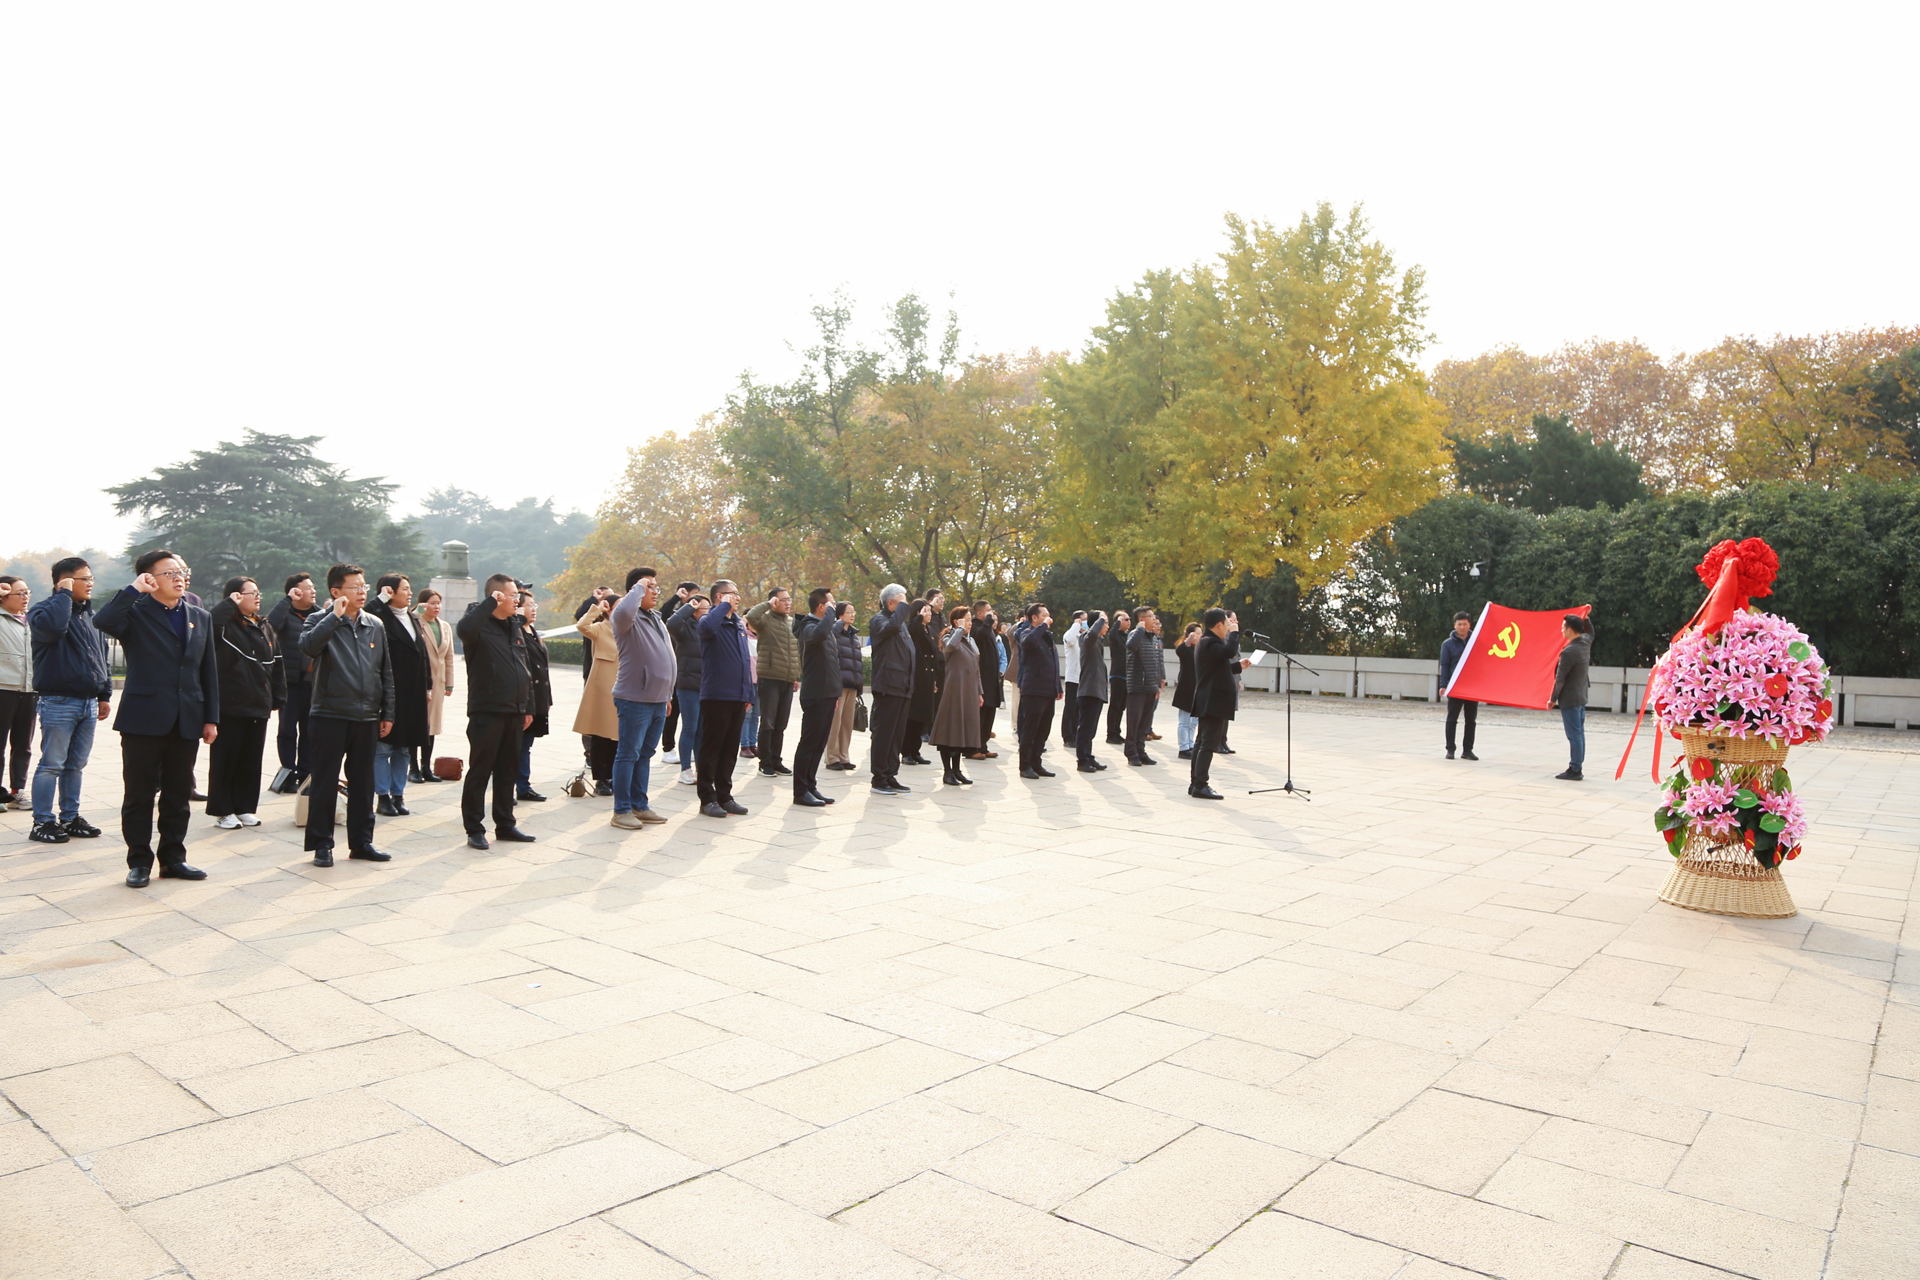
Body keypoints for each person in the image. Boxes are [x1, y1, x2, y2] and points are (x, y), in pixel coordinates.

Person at [93, 550, 219, 885]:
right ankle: (139, 862)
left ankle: (173, 859)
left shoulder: (199, 616)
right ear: (150, 578)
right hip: (143, 718)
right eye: (169, 573)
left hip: (187, 717)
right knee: (139, 795)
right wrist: (134, 590)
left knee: (178, 795)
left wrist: (211, 717)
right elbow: (102, 621)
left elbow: (208, 671)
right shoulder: (135, 612)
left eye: (181, 571)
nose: (179, 578)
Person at [298, 564, 395, 868]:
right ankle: (322, 845)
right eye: (354, 587)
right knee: (325, 782)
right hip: (329, 713)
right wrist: (334, 617)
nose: (361, 592)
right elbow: (308, 647)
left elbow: (385, 671)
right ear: (336, 591)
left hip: (366, 715)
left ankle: (362, 842)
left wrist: (388, 711)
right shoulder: (319, 620)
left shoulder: (374, 624)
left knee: (364, 784)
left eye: (363, 586)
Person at [24, 558, 111, 843]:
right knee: (52, 764)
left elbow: (102, 657)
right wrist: (63, 594)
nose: (90, 583)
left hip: (88, 702)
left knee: (75, 765)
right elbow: (54, 629)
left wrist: (104, 694)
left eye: (91, 578)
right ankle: (42, 822)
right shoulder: (42, 612)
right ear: (64, 581)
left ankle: (70, 818)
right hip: (58, 701)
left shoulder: (90, 616)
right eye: (84, 578)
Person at [458, 574, 536, 850]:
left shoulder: (514, 625)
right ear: (497, 596)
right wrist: (489, 603)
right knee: (480, 771)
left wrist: (528, 707)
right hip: (487, 710)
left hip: (515, 710)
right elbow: (464, 630)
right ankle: (474, 828)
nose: (518, 600)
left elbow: (524, 667)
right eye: (513, 595)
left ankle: (505, 824)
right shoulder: (478, 624)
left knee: (507, 771)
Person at [205, 577, 285, 828]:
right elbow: (210, 625)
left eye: (258, 592)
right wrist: (228, 605)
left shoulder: (264, 625)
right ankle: (223, 810)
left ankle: (244, 807)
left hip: (258, 704)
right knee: (226, 760)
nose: (257, 597)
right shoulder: (225, 625)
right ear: (235, 597)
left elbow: (277, 663)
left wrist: (278, 696)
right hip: (230, 704)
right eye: (252, 593)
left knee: (250, 760)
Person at [607, 566, 676, 828]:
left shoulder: (655, 617)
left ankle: (640, 805)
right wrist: (639, 585)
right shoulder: (626, 617)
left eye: (656, 586)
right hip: (635, 698)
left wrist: (667, 695)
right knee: (628, 754)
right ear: (635, 591)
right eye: (650, 587)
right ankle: (621, 810)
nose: (655, 591)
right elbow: (624, 610)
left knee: (645, 754)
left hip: (658, 699)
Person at [367, 574, 430, 817]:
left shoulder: (413, 618)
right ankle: (382, 796)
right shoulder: (379, 617)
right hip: (390, 692)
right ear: (390, 591)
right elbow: (366, 612)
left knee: (404, 749)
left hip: (413, 693)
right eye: (405, 589)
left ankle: (398, 794)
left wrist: (427, 685)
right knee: (383, 748)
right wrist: (381, 599)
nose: (410, 593)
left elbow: (421, 654)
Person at [695, 580, 754, 817]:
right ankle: (707, 799)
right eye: (733, 594)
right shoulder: (709, 620)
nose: (737, 598)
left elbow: (744, 660)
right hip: (717, 694)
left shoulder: (738, 623)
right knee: (712, 748)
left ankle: (724, 795)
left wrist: (748, 693)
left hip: (738, 696)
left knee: (730, 749)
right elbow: (707, 629)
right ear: (719, 597)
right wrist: (722, 607)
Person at [788, 587, 841, 806]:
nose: (834, 606)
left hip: (828, 693)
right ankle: (800, 791)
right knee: (809, 744)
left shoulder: (823, 627)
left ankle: (810, 786)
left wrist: (835, 693)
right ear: (821, 607)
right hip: (816, 693)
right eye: (831, 603)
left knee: (819, 744)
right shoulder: (808, 626)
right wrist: (830, 613)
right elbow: (818, 634)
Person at [266, 573, 319, 790]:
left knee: (309, 732)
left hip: (313, 684)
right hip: (290, 684)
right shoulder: (285, 615)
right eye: (307, 587)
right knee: (287, 731)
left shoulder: (319, 615)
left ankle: (305, 776)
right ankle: (288, 773)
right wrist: (287, 600)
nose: (313, 591)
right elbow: (271, 625)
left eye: (313, 587)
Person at [745, 587, 800, 778]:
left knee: (780, 724)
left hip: (787, 679)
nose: (787, 603)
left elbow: (795, 651)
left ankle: (776, 761)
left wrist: (795, 675)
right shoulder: (765, 620)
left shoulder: (792, 622)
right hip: (769, 678)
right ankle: (765, 762)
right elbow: (751, 616)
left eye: (788, 599)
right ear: (774, 601)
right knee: (768, 723)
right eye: (782, 599)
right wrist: (767, 604)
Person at [1188, 608, 1243, 800]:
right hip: (1213, 700)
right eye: (1227, 624)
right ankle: (1200, 784)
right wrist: (1235, 633)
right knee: (1208, 743)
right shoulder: (1210, 641)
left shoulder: (1207, 642)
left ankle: (1195, 782)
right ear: (1219, 625)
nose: (1228, 628)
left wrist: (1239, 666)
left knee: (1202, 741)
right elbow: (1229, 651)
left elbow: (1217, 667)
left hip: (1209, 698)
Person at [868, 585, 915, 795]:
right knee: (884, 734)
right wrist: (902, 611)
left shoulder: (900, 624)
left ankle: (890, 774)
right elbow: (891, 628)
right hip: (888, 685)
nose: (907, 606)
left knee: (897, 735)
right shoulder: (880, 620)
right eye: (903, 602)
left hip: (903, 686)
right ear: (890, 603)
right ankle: (879, 778)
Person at [931, 605, 984, 785]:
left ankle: (957, 770)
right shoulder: (949, 637)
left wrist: (980, 691)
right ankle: (947, 771)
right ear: (956, 621)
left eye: (970, 620)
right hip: (953, 690)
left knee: (962, 732)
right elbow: (949, 648)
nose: (970, 623)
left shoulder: (971, 640)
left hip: (969, 690)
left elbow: (976, 668)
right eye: (967, 620)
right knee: (950, 731)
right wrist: (959, 630)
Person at [574, 594, 619, 795]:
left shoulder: (629, 630)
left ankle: (615, 776)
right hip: (603, 690)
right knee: (601, 736)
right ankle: (601, 779)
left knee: (618, 737)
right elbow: (582, 626)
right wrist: (597, 608)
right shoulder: (601, 628)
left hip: (624, 688)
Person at [0, 577, 34, 811]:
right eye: (19, 593)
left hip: (29, 690)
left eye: (27, 592)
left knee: (23, 744)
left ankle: (17, 791)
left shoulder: (33, 620)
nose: (25, 597)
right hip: (3, 689)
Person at [665, 593, 707, 784]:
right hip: (688, 685)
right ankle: (685, 770)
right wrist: (689, 606)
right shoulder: (684, 629)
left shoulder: (708, 629)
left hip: (705, 686)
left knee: (701, 730)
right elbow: (672, 623)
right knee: (690, 728)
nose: (707, 612)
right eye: (704, 609)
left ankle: (701, 769)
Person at [1016, 603, 1061, 778]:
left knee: (1043, 730)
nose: (1049, 618)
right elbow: (1028, 643)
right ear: (1034, 618)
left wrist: (1058, 686)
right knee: (1030, 729)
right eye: (1044, 615)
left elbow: (1054, 664)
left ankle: (1036, 763)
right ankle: (1025, 766)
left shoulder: (1047, 637)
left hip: (1048, 690)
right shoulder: (1026, 632)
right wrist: (1042, 626)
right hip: (1033, 690)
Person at [516, 590, 552, 801]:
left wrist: (547, 699)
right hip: (524, 699)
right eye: (528, 605)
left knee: (526, 745)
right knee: (518, 746)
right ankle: (518, 786)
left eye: (534, 605)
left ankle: (523, 785)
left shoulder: (532, 631)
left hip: (538, 697)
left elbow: (543, 669)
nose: (533, 609)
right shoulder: (516, 633)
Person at [416, 588, 455, 781]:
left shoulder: (445, 626)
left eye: (438, 603)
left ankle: (426, 766)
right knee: (417, 723)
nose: (436, 606)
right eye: (432, 603)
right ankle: (413, 767)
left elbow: (449, 657)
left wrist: (449, 683)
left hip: (438, 683)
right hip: (419, 680)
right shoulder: (416, 623)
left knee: (432, 725)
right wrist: (417, 613)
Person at [1550, 615, 1593, 781]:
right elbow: (1591, 632)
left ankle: (1575, 769)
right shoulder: (1585, 642)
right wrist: (1586, 618)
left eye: (1563, 627)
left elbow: (1560, 678)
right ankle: (1577, 766)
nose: (1562, 630)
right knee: (1579, 733)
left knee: (1574, 734)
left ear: (1570, 630)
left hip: (1570, 697)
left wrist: (1553, 699)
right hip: (1581, 695)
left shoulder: (1568, 652)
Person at [659, 581, 698, 756]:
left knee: (691, 717)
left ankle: (690, 749)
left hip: (692, 674)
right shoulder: (676, 618)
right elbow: (663, 614)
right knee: (672, 712)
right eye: (693, 593)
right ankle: (668, 748)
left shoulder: (698, 620)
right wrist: (677, 597)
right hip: (675, 671)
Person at [1124, 606, 1166, 765]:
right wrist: (1140, 629)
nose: (1154, 619)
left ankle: (1141, 751)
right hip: (1137, 686)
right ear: (1142, 619)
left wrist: (1158, 683)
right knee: (1134, 722)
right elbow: (1130, 647)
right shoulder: (1135, 634)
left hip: (1150, 686)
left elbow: (1157, 662)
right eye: (1151, 616)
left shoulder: (1153, 638)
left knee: (1145, 723)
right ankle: (1131, 753)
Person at [824, 601, 863, 772]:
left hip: (852, 684)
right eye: (849, 612)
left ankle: (843, 756)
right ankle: (832, 757)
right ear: (840, 615)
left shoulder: (854, 635)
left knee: (847, 723)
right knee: (835, 722)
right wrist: (838, 623)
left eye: (854, 612)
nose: (853, 615)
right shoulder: (834, 632)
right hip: (838, 684)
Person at [901, 599, 940, 767]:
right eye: (926, 611)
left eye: (930, 611)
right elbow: (911, 629)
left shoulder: (927, 629)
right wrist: (918, 618)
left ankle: (915, 751)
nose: (930, 614)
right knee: (912, 718)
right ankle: (906, 752)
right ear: (918, 613)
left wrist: (935, 678)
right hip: (916, 678)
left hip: (927, 678)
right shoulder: (913, 627)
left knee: (922, 718)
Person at [1438, 610, 1479, 761]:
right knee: (1452, 718)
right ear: (1454, 625)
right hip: (1455, 686)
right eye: (1459, 624)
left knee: (1471, 720)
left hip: (1472, 686)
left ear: (1469, 625)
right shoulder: (1447, 644)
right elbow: (1445, 665)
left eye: (1464, 624)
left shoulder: (1476, 642)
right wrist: (1443, 685)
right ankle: (1450, 749)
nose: (1462, 627)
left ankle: (1468, 750)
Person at [1074, 610, 1110, 772]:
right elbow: (1092, 634)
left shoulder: (1097, 642)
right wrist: (1101, 619)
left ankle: (1088, 756)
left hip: (1096, 691)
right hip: (1089, 691)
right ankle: (1082, 760)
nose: (1107, 626)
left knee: (1091, 729)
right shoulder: (1086, 639)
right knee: (1085, 728)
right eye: (1105, 623)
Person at [968, 601, 1001, 759]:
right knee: (979, 715)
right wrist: (988, 621)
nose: (991, 613)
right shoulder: (976, 627)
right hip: (981, 679)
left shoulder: (988, 628)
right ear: (980, 613)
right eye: (988, 611)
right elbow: (980, 636)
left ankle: (983, 745)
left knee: (989, 713)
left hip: (991, 678)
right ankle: (971, 748)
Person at [1171, 623, 1203, 759]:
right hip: (1186, 689)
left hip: (1198, 690)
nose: (1200, 636)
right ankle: (1183, 748)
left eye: (1201, 633)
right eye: (1197, 633)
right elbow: (1179, 651)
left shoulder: (1199, 650)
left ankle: (1190, 745)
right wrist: (1188, 640)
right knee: (1185, 722)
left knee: (1194, 722)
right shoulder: (1185, 649)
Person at [1105, 608, 1133, 744]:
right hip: (1118, 675)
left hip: (1128, 676)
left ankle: (1117, 732)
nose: (1128, 621)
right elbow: (1111, 636)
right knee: (1115, 705)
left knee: (1122, 706)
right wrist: (1117, 623)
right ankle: (1111, 734)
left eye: (1129, 619)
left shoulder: (1128, 637)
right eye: (1125, 619)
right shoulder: (1115, 636)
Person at [1059, 610, 1086, 749]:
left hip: (1084, 678)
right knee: (1071, 708)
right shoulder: (1070, 635)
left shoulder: (1084, 637)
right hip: (1073, 678)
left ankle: (1076, 735)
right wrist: (1076, 625)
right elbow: (1069, 640)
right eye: (1084, 619)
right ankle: (1068, 736)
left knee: (1079, 710)